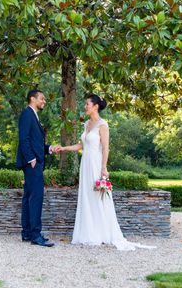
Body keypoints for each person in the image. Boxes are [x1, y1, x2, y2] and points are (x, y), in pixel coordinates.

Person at [56, 94, 154, 251]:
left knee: (98, 196)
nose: (85, 106)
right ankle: (88, 233)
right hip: (85, 164)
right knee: (87, 196)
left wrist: (104, 167)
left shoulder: (103, 125)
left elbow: (106, 147)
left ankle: (101, 233)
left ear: (95, 106)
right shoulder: (87, 123)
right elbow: (81, 145)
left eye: (87, 104)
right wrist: (64, 148)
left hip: (96, 163)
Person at [15, 89, 60, 247]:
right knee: (36, 198)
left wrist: (49, 149)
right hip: (32, 164)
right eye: (42, 98)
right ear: (32, 99)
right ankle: (35, 235)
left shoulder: (32, 115)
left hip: (33, 163)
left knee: (28, 198)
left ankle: (27, 233)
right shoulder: (27, 114)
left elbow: (35, 142)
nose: (44, 101)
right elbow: (23, 138)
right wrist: (31, 159)